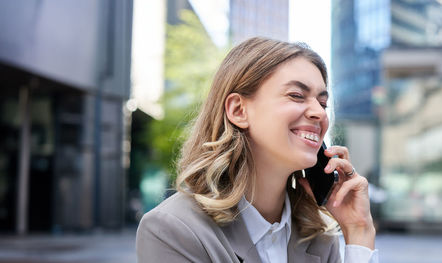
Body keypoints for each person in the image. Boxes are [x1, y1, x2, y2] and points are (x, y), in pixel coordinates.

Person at [135, 37, 378, 263]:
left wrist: (359, 231)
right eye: (296, 95)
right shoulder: (172, 229)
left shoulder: (318, 238)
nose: (319, 113)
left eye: (323, 103)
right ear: (239, 110)